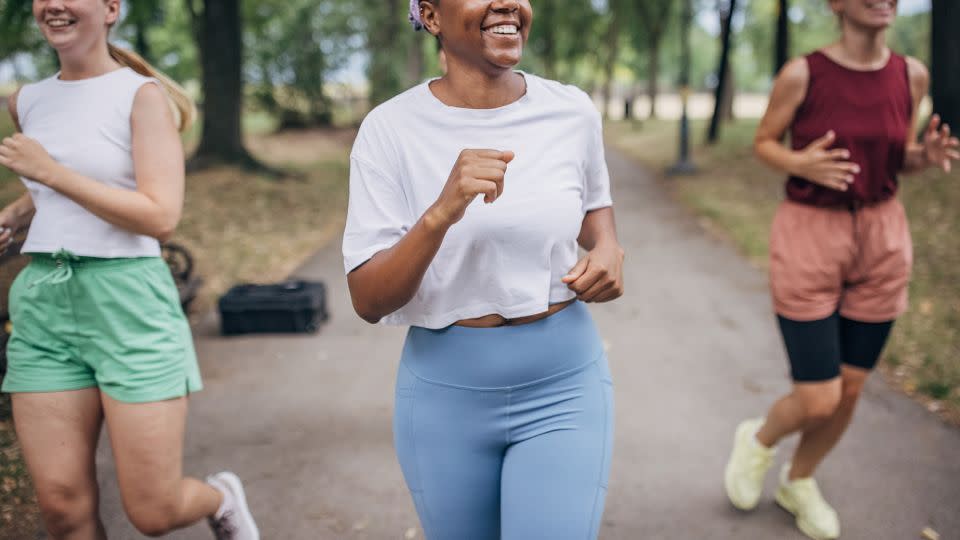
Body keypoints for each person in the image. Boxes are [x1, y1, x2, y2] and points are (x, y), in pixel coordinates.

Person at [342, 1, 625, 538]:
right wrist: (441, 214)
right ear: (430, 16)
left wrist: (609, 246)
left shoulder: (572, 111)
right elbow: (368, 298)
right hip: (444, 398)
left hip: (563, 385)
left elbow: (594, 205)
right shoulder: (388, 130)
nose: (507, 3)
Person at [0, 1, 259, 538]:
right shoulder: (26, 101)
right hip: (44, 302)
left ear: (111, 8)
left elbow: (159, 215)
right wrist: (17, 214)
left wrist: (51, 170)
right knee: (62, 510)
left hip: (128, 301)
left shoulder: (140, 98)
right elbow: (58, 190)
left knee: (153, 511)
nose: (52, 4)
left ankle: (219, 496)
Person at [723, 1, 959, 539]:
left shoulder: (911, 73)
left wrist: (925, 155)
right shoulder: (803, 73)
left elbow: (897, 156)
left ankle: (799, 480)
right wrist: (798, 162)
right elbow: (764, 142)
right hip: (810, 234)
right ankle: (758, 440)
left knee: (850, 389)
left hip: (883, 235)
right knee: (819, 396)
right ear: (835, 4)